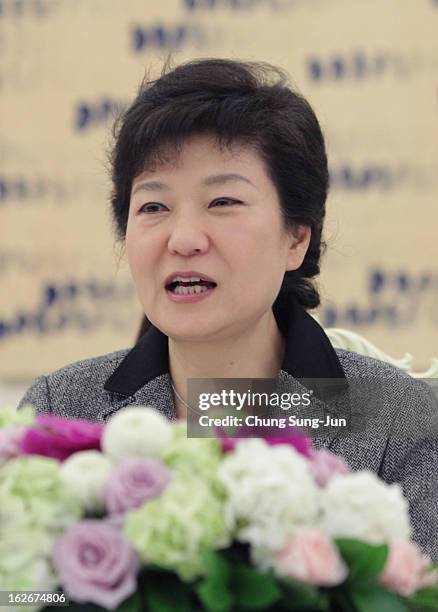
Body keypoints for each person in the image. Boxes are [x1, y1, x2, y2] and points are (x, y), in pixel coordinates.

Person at [18, 58, 438, 560]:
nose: (185, 239)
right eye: (153, 207)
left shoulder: (400, 421)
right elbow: (22, 594)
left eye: (223, 202)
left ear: (295, 239)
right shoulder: (60, 410)